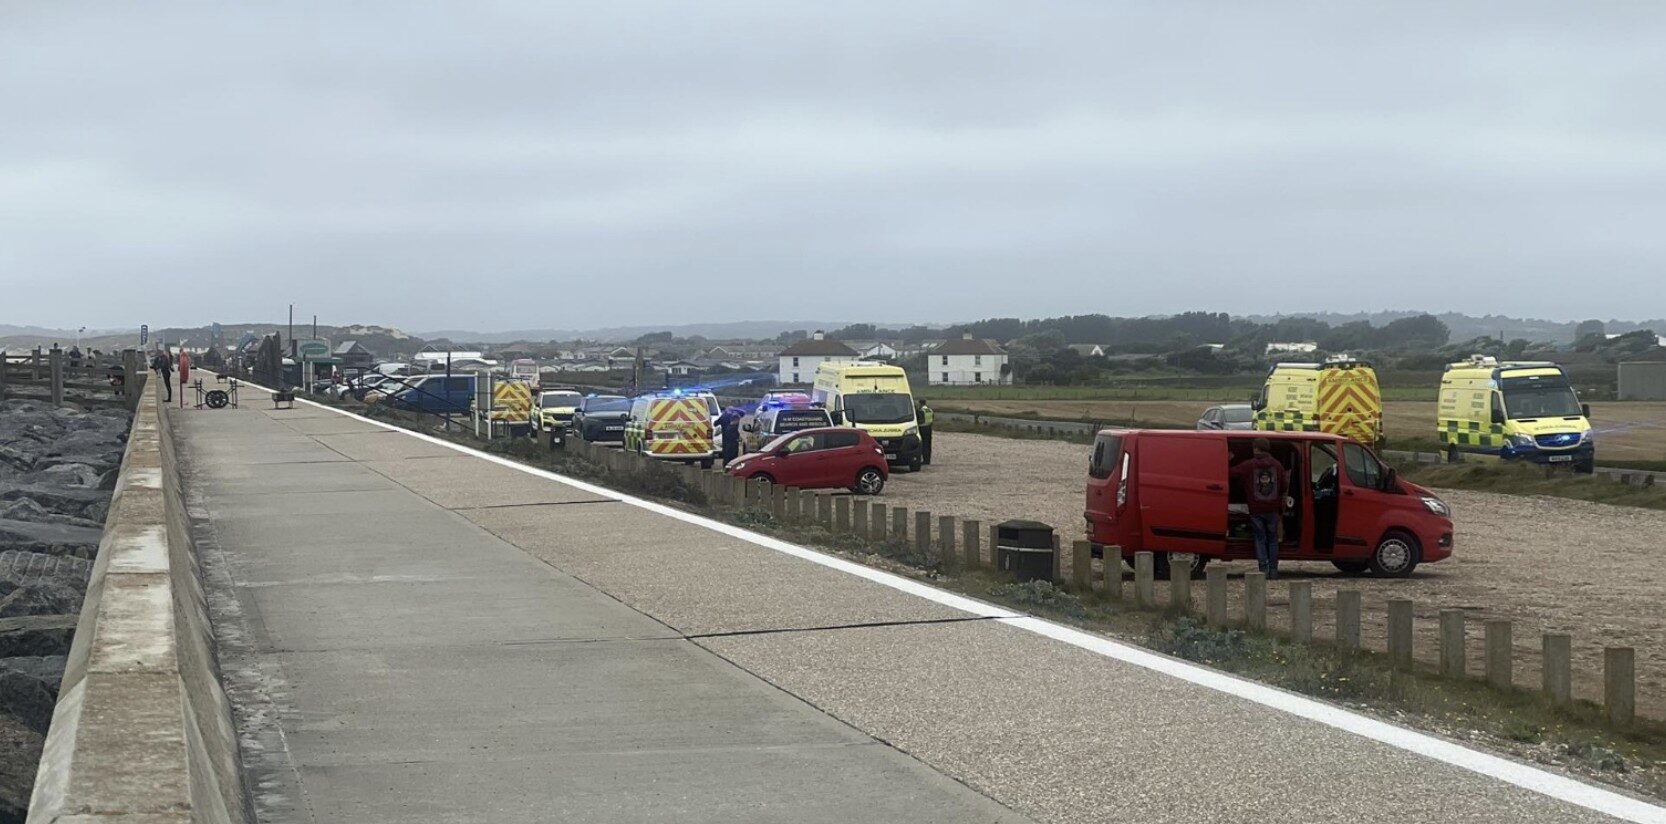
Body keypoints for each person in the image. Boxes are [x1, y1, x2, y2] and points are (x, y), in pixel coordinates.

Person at [1230, 438, 1288, 578]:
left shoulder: (1248, 465)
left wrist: (1228, 459)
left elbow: (1230, 473)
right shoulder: (1278, 465)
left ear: (1256, 449)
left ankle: (1263, 569)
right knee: (1273, 539)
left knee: (1260, 538)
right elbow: (1284, 486)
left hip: (1256, 509)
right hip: (1273, 509)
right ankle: (1274, 570)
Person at [916, 399, 934, 465]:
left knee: (923, 445)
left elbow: (919, 421)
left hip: (922, 429)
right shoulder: (930, 410)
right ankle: (928, 460)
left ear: (920, 403)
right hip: (929, 428)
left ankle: (924, 460)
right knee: (928, 445)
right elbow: (932, 419)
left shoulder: (921, 411)